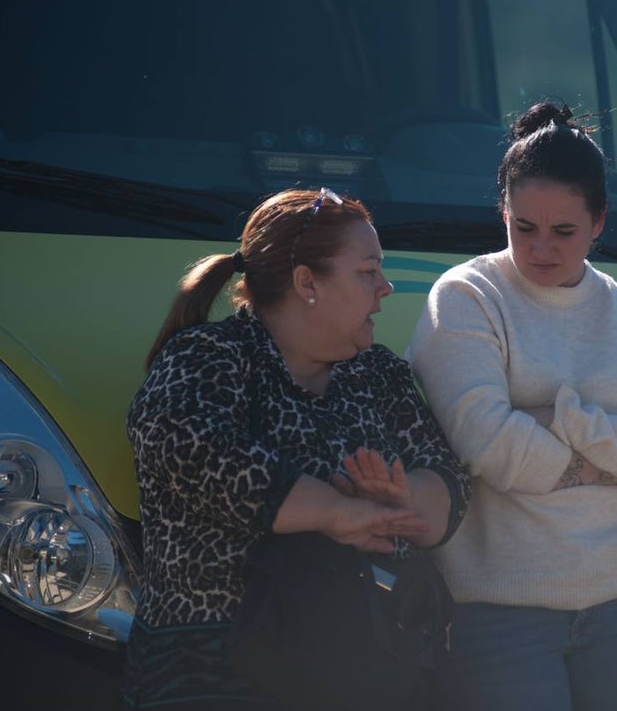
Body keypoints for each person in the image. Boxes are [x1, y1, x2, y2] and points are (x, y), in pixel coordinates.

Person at [405, 101, 617, 711]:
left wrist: (558, 418)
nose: (540, 248)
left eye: (563, 231)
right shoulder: (466, 298)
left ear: (600, 221)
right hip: (499, 614)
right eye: (523, 227)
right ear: (503, 213)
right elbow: (487, 447)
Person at [121, 187, 471, 710]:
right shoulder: (209, 356)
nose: (386, 287)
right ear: (307, 282)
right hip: (215, 673)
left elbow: (447, 476)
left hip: (369, 671)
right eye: (367, 271)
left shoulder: (379, 373)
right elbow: (186, 447)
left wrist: (406, 499)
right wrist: (334, 513)